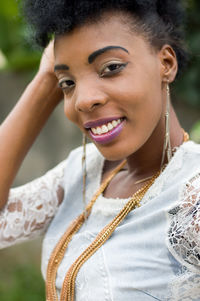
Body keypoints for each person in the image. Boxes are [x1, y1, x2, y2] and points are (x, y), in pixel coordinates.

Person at [0, 0, 200, 300]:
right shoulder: (83, 172)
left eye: (111, 68)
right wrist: (44, 81)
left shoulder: (192, 195)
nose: (83, 100)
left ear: (166, 64)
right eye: (67, 83)